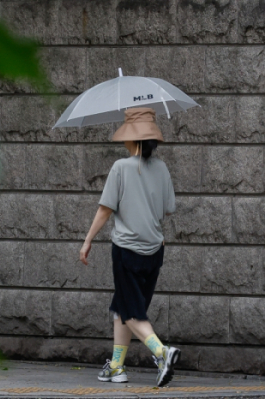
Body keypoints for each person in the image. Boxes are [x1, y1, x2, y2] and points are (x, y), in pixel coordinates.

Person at [79, 107, 179, 387]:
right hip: (154, 252)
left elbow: (104, 210)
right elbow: (169, 207)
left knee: (132, 312)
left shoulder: (120, 168)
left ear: (133, 139)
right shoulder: (161, 168)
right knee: (122, 308)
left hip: (126, 252)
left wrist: (87, 241)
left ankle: (162, 353)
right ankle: (117, 367)